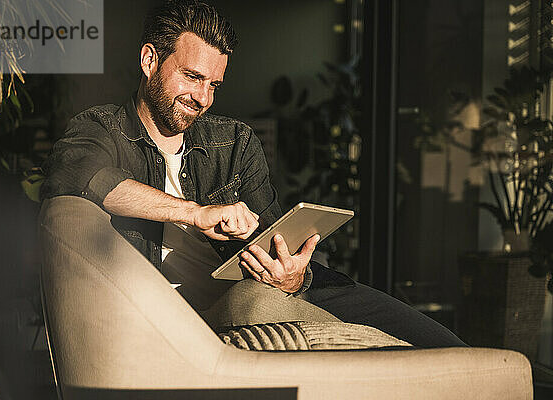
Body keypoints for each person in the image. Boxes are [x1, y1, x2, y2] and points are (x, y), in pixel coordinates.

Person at [41, 0, 465, 348]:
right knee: (260, 306)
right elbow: (85, 178)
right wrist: (195, 213)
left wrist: (293, 271)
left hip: (269, 292)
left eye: (214, 84)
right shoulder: (101, 129)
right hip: (192, 322)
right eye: (192, 77)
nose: (202, 98)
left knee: (439, 344)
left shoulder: (235, 142)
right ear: (150, 60)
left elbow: (278, 236)